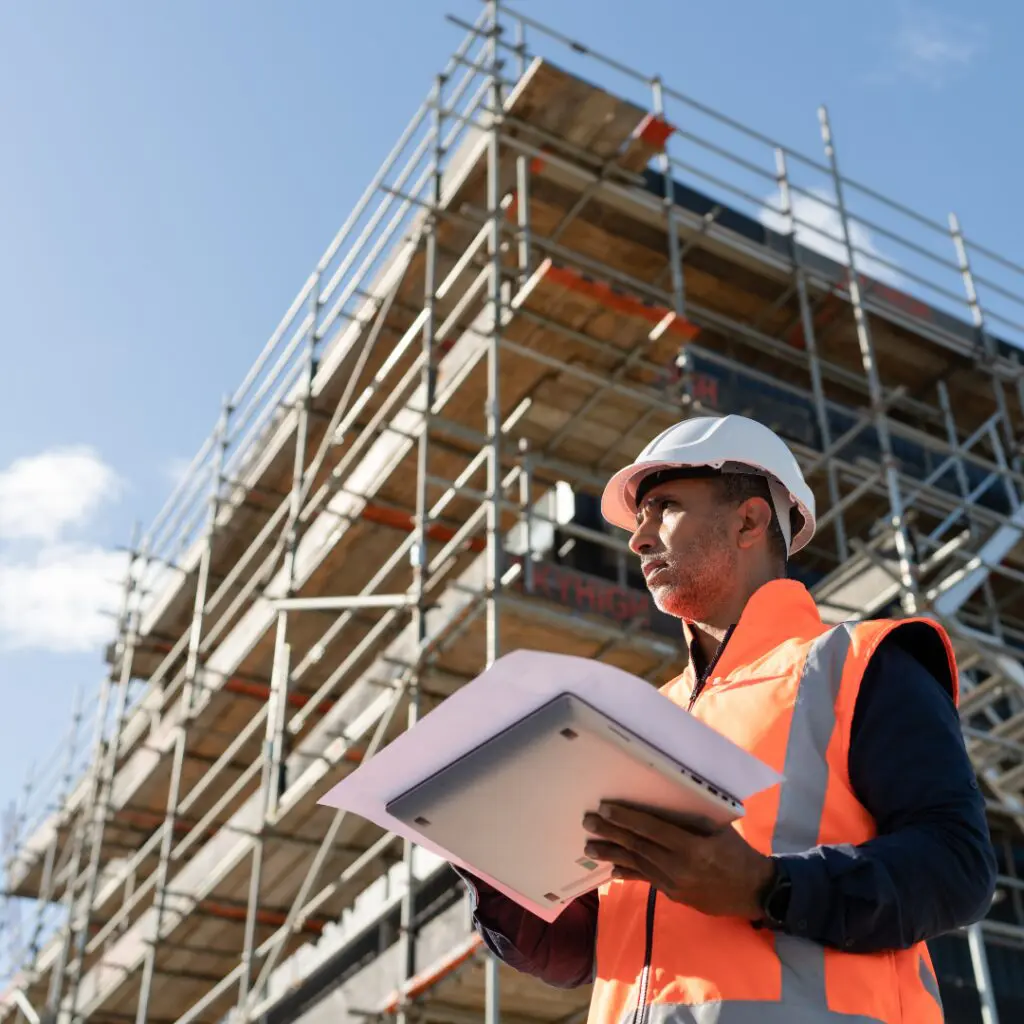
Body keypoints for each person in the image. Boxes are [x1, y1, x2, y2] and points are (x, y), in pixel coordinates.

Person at [452, 414, 996, 1023]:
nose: (639, 538)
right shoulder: (640, 716)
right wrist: (491, 861)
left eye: (663, 508)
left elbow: (959, 866)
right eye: (641, 519)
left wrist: (769, 887)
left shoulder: (856, 662)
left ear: (749, 520)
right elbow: (588, 953)